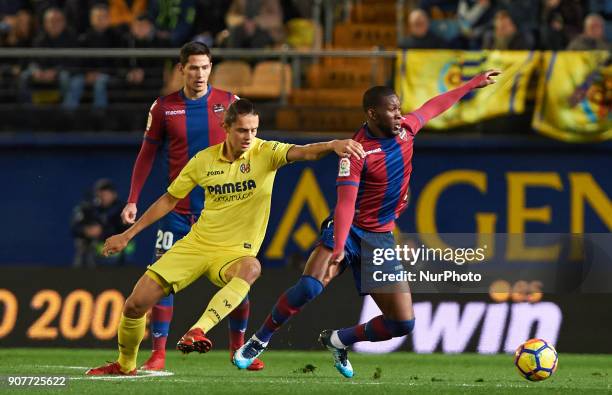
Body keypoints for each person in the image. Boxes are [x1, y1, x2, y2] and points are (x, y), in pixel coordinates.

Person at [234, 70, 500, 377]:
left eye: (400, 108)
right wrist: (338, 245)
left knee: (402, 323)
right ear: (373, 114)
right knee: (309, 286)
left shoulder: (407, 131)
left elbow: (434, 106)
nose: (400, 115)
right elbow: (345, 202)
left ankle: (338, 340)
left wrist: (472, 84)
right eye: (393, 110)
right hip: (348, 232)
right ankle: (259, 340)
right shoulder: (356, 150)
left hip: (380, 238)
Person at [85, 99, 365, 376]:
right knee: (135, 304)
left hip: (234, 253)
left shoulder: (266, 152)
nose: (249, 136)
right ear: (226, 127)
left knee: (251, 268)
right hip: (197, 244)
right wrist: (127, 234)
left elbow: (304, 152)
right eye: (243, 130)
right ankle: (124, 365)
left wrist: (331, 145)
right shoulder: (204, 160)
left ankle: (198, 330)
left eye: (254, 130)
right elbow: (169, 200)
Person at [120, 41, 242, 371]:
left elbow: (251, 148)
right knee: (162, 279)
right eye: (193, 67)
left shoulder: (230, 103)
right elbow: (146, 155)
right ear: (181, 69)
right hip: (177, 211)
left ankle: (238, 350)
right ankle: (158, 353)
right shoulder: (163, 107)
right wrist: (133, 199)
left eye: (205, 67)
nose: (199, 74)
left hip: (221, 213)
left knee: (240, 276)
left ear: (211, 67)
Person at [71, 179, 130, 267]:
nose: (102, 197)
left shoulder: (123, 209)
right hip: (92, 256)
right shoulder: (89, 208)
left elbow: (126, 228)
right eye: (100, 194)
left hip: (118, 255)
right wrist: (86, 230)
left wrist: (102, 230)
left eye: (106, 194)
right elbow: (75, 228)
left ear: (114, 194)